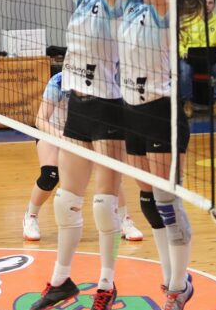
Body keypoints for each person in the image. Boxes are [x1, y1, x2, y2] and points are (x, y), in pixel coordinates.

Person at [100, 0, 201, 310]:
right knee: (146, 203)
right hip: (132, 110)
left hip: (161, 112)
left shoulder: (164, 11)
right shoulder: (132, 6)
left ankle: (179, 288)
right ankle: (170, 278)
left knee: (166, 203)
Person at [29, 0, 125, 310]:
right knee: (67, 199)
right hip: (77, 106)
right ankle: (62, 280)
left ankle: (106, 284)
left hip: (111, 109)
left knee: (105, 205)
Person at [23, 70, 143, 243]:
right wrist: (60, 135)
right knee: (50, 175)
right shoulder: (58, 82)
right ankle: (31, 216)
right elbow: (40, 120)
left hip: (84, 132)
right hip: (54, 131)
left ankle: (125, 220)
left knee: (110, 173)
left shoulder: (100, 82)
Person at [179, 0, 216, 119]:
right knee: (184, 69)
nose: (207, 5)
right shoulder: (188, 21)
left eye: (210, 3)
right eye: (205, 3)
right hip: (190, 59)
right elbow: (180, 42)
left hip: (210, 60)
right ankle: (187, 104)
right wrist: (183, 52)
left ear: (214, 5)